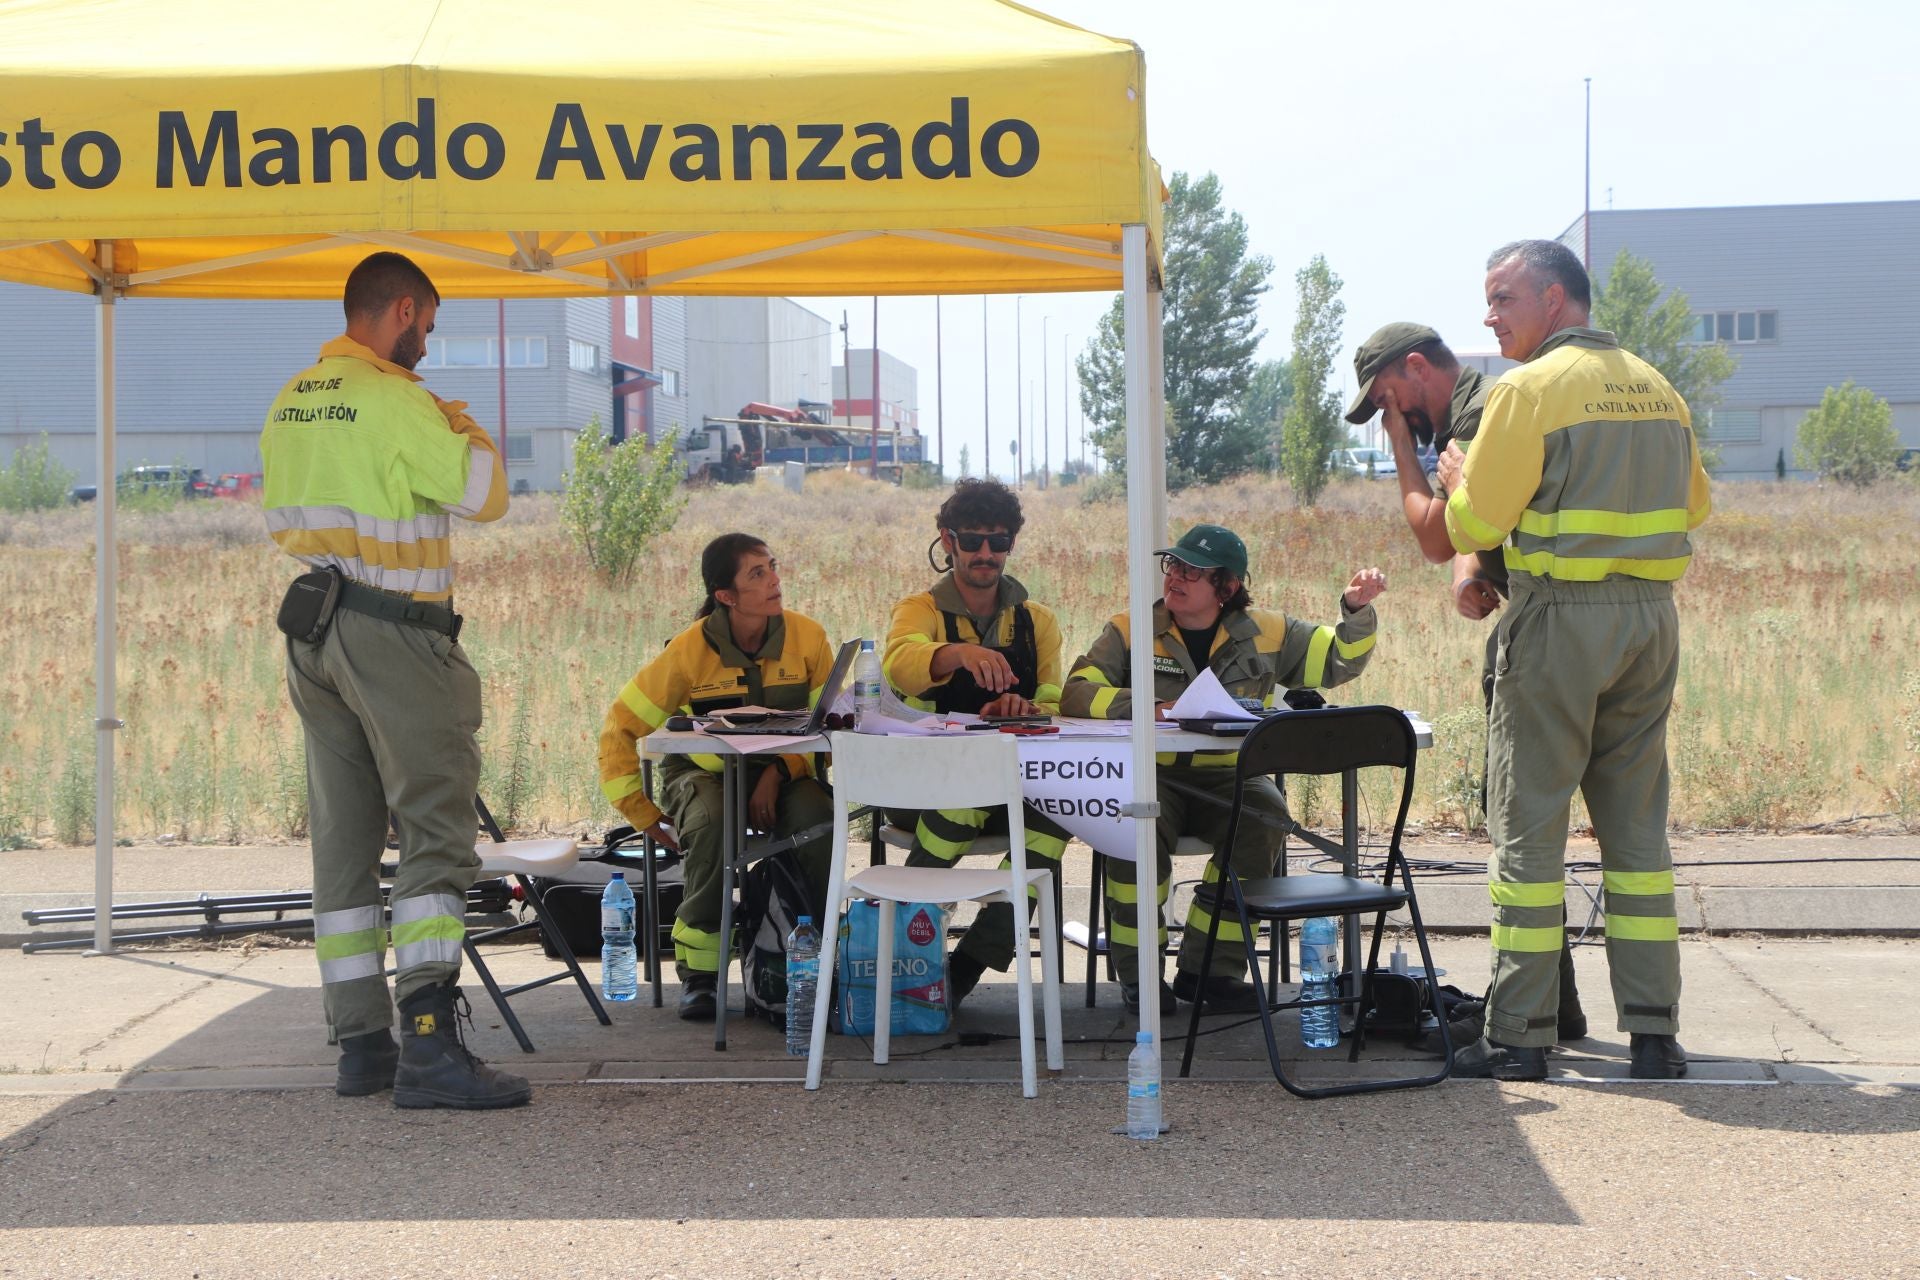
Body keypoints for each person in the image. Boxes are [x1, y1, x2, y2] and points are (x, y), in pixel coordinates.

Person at [262, 250, 528, 1109]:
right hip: (394, 634)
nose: (428, 345)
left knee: (343, 842)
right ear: (404, 310)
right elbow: (488, 494)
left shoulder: (293, 398)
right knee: (436, 829)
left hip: (315, 629)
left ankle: (362, 1044)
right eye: (430, 327)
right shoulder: (400, 402)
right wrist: (457, 421)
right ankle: (429, 1045)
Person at [1440, 239, 1710, 1081]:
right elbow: (1694, 503)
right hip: (1650, 623)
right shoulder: (1659, 387)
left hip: (1561, 621)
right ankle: (1655, 1034)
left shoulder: (1528, 391)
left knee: (1528, 831)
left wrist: (1457, 476)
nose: (1489, 315)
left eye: (1502, 297)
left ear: (1555, 300)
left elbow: (1471, 530)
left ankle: (1520, 1036)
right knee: (1637, 833)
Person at [1345, 321, 1588, 1045]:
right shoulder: (1467, 415)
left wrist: (1397, 448)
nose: (1395, 417)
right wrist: (1472, 576)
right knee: (1529, 828)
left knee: (1521, 827)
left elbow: (1436, 530)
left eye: (1392, 400)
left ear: (1417, 369)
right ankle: (1557, 1003)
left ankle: (1535, 1010)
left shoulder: (1479, 417)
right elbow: (1474, 534)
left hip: (1552, 631)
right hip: (1561, 619)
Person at [1061, 524, 1386, 1015]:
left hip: (1228, 777)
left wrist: (1356, 610)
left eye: (1192, 570)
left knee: (1265, 815)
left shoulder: (1270, 632)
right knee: (1135, 829)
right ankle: (1140, 977)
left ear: (1228, 588)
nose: (1176, 577)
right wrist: (1146, 706)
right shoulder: (1129, 629)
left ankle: (1209, 971)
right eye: (1173, 565)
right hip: (1154, 776)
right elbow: (1077, 690)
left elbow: (1338, 660)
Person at [597, 533, 838, 1021]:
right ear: (726, 597)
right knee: (711, 823)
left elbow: (831, 730)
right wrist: (641, 813)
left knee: (819, 818)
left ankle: (809, 960)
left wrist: (776, 771)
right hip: (702, 774)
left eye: (772, 566)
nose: (775, 580)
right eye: (757, 574)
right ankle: (701, 978)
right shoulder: (689, 651)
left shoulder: (809, 638)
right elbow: (618, 730)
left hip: (786, 775)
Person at [881, 477, 1072, 1009]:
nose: (986, 553)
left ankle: (968, 965)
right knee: (965, 797)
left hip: (1011, 783)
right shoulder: (920, 610)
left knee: (1058, 818)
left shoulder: (1039, 621)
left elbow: (1055, 696)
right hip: (920, 786)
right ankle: (906, 946)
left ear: (1012, 543)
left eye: (999, 540)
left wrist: (1026, 707)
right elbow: (902, 662)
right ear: (947, 541)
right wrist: (957, 655)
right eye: (972, 540)